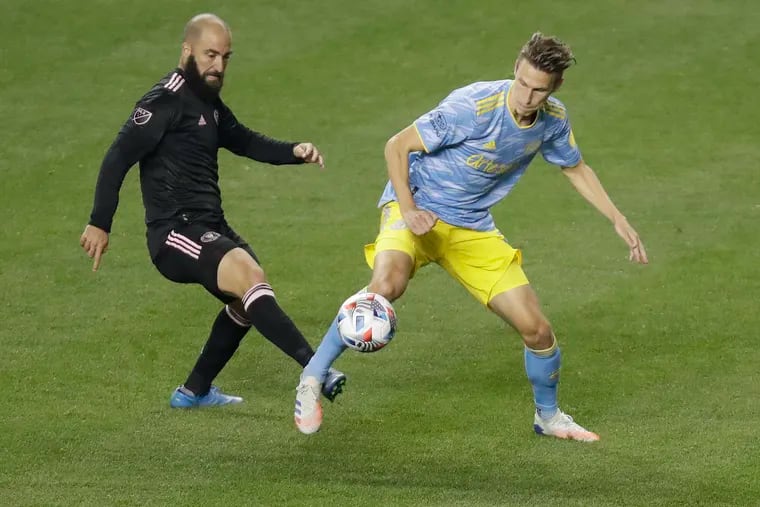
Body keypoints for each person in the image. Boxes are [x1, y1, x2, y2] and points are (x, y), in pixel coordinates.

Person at [293, 32, 648, 439]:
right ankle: (311, 378)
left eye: (538, 91)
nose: (527, 97)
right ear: (515, 68)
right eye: (523, 84)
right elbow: (397, 146)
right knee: (386, 285)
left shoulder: (552, 118)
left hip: (470, 226)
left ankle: (548, 418)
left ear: (555, 88)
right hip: (417, 208)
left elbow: (575, 167)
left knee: (537, 329)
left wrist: (616, 218)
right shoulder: (474, 106)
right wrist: (408, 209)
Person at [79, 13, 346, 408]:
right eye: (209, 55)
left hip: (208, 225)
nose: (218, 66)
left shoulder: (209, 104)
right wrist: (100, 223)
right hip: (174, 233)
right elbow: (117, 157)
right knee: (249, 276)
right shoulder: (164, 100)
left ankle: (194, 391)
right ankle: (315, 368)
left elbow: (244, 140)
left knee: (247, 298)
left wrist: (294, 152)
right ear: (187, 50)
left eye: (225, 57)